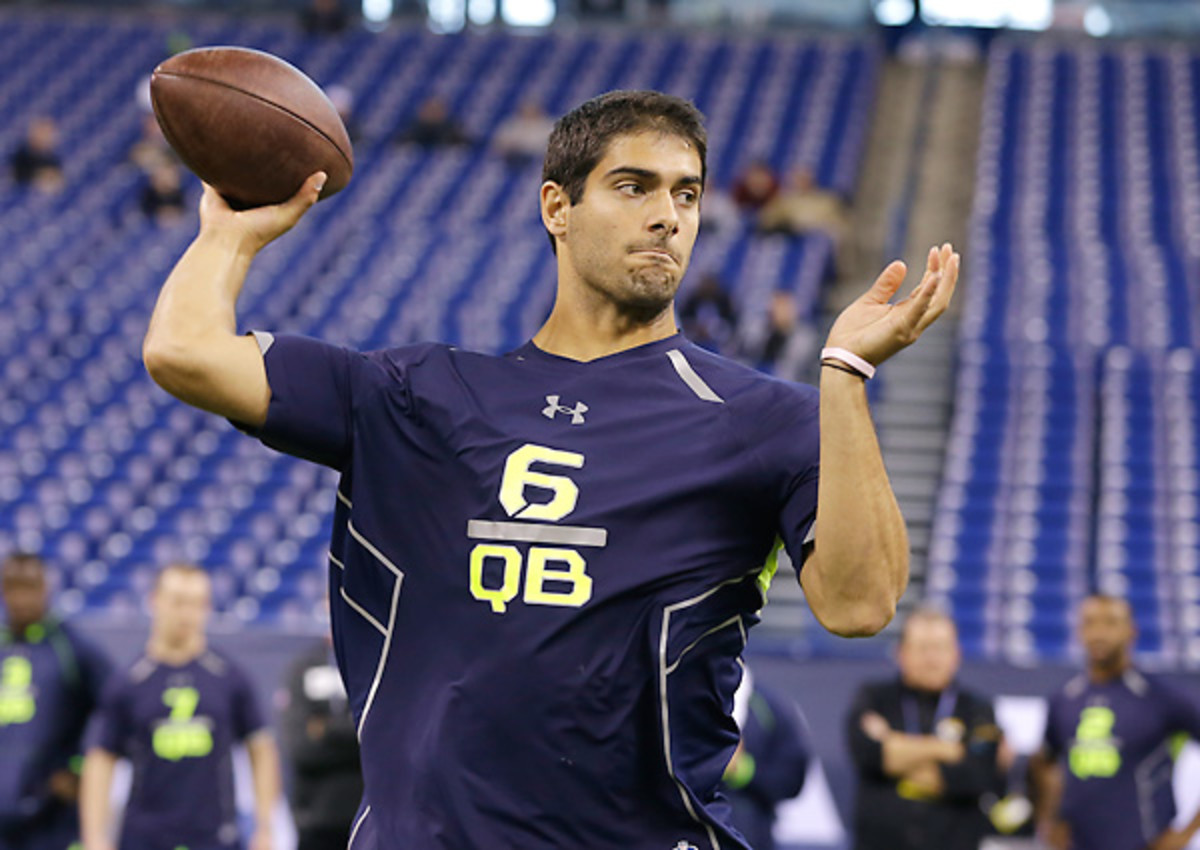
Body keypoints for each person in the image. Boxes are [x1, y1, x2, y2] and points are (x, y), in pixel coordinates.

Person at [141, 89, 959, 848]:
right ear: (556, 207)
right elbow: (184, 351)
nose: (668, 217)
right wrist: (228, 234)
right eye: (634, 186)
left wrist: (845, 374)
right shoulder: (416, 394)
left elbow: (861, 603)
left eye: (685, 193)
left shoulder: (760, 418)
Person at [79, 564, 281, 850]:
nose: (187, 614)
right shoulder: (130, 682)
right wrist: (95, 838)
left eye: (197, 604)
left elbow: (261, 747)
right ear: (154, 601)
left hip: (213, 837)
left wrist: (265, 828)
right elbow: (100, 759)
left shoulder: (228, 677)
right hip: (144, 838)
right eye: (178, 602)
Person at [1031, 594, 1200, 850]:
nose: (1099, 633)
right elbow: (1045, 763)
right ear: (1079, 631)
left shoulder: (1160, 697)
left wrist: (1185, 834)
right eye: (1090, 623)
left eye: (1110, 623)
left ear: (1131, 631)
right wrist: (1049, 820)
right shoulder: (1065, 699)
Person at [846, 608, 1006, 850]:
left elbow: (977, 775)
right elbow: (869, 754)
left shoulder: (978, 709)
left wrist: (894, 746)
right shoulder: (873, 697)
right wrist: (950, 750)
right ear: (901, 653)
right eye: (922, 648)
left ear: (957, 654)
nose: (932, 659)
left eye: (940, 648)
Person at [0, 552, 111, 850]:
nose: (21, 598)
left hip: (52, 821)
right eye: (14, 587)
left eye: (30, 587)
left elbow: (116, 709)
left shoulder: (70, 648)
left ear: (46, 588)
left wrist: (80, 768)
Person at [279, 636, 362, 850]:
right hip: (317, 822)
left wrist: (326, 730)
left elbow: (381, 739)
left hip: (369, 819)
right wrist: (354, 735)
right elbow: (300, 747)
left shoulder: (375, 664)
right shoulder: (303, 667)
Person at [722, 666, 811, 850]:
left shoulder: (769, 705)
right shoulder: (675, 699)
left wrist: (745, 771)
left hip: (752, 837)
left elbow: (792, 777)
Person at [10, 117, 63, 194]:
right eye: (41, 133)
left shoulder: (54, 161)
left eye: (48, 134)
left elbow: (57, 184)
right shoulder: (21, 156)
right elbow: (16, 176)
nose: (44, 137)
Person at [396, 97, 471, 148]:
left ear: (443, 113)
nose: (432, 114)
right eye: (430, 110)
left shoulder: (452, 131)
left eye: (436, 110)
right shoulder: (413, 131)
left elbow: (465, 145)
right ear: (421, 113)